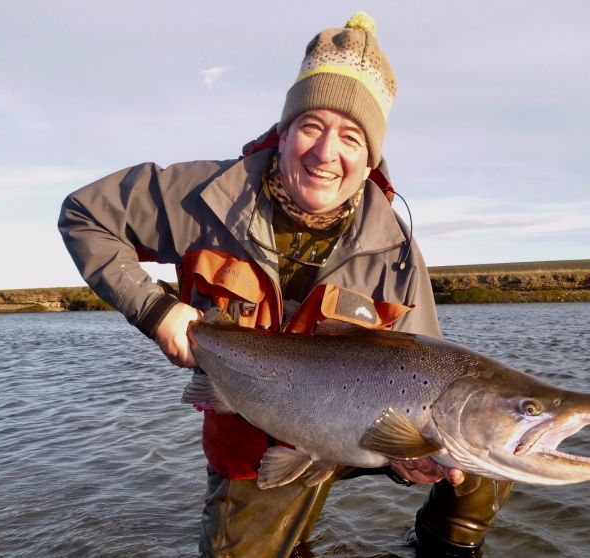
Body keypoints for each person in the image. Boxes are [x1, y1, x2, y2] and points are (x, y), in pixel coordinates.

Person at [58, 13, 512, 558]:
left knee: (487, 453)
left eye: (351, 136)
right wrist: (156, 310)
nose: (326, 154)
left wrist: (414, 458)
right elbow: (85, 215)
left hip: (359, 439)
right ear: (285, 130)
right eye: (312, 126)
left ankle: (439, 547)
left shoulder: (395, 251)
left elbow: (425, 374)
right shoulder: (203, 196)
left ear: (371, 157)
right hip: (253, 438)